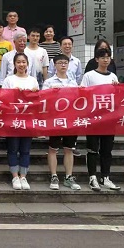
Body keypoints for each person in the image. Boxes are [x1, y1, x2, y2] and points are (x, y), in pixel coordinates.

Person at [80, 48, 121, 192]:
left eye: (108, 57)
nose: (106, 60)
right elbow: (82, 94)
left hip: (109, 118)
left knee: (107, 149)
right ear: (96, 59)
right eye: (103, 57)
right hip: (93, 117)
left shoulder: (113, 76)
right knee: (92, 149)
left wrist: (117, 89)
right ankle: (92, 177)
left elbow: (118, 97)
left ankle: (105, 177)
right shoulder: (89, 76)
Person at [43, 54, 81, 191]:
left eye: (65, 62)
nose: (63, 65)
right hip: (55, 119)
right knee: (53, 148)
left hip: (70, 119)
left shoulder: (73, 82)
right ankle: (54, 176)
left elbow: (78, 100)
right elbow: (43, 99)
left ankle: (68, 177)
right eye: (60, 63)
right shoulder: (49, 82)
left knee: (69, 148)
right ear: (55, 65)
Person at [2, 53, 38, 190]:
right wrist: (13, 92)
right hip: (13, 119)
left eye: (24, 62)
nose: (21, 64)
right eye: (18, 62)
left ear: (27, 64)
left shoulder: (33, 80)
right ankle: (15, 176)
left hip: (28, 120)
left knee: (25, 149)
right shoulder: (9, 80)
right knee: (12, 148)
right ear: (14, 64)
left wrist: (34, 93)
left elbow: (38, 101)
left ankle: (23, 176)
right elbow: (3, 98)